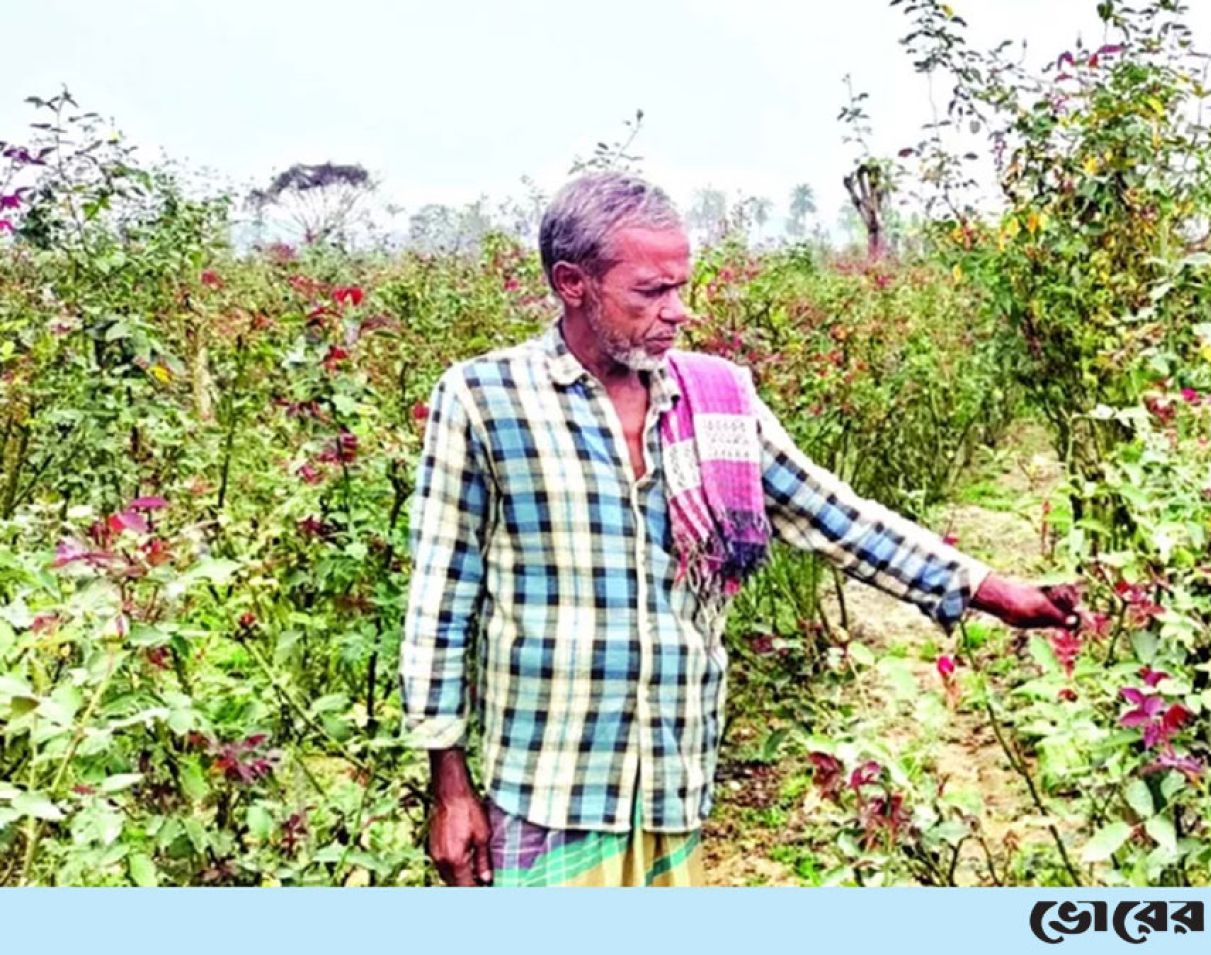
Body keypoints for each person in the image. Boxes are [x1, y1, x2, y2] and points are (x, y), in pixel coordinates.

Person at [398, 172, 1080, 887]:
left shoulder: (716, 397)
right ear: (573, 283)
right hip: (547, 784)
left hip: (672, 775)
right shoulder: (484, 398)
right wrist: (449, 781)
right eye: (650, 292)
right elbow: (441, 597)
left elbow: (834, 515)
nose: (677, 312)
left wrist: (992, 590)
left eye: (681, 287)